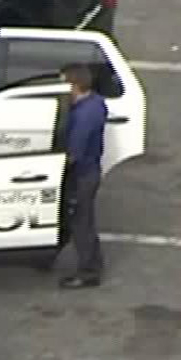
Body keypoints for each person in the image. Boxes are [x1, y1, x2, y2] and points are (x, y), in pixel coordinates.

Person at [55, 62, 107, 288]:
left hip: (81, 175)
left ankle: (88, 271)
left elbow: (73, 153)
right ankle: (92, 264)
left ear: (73, 85)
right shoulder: (95, 103)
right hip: (90, 171)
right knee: (81, 220)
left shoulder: (83, 116)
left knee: (81, 222)